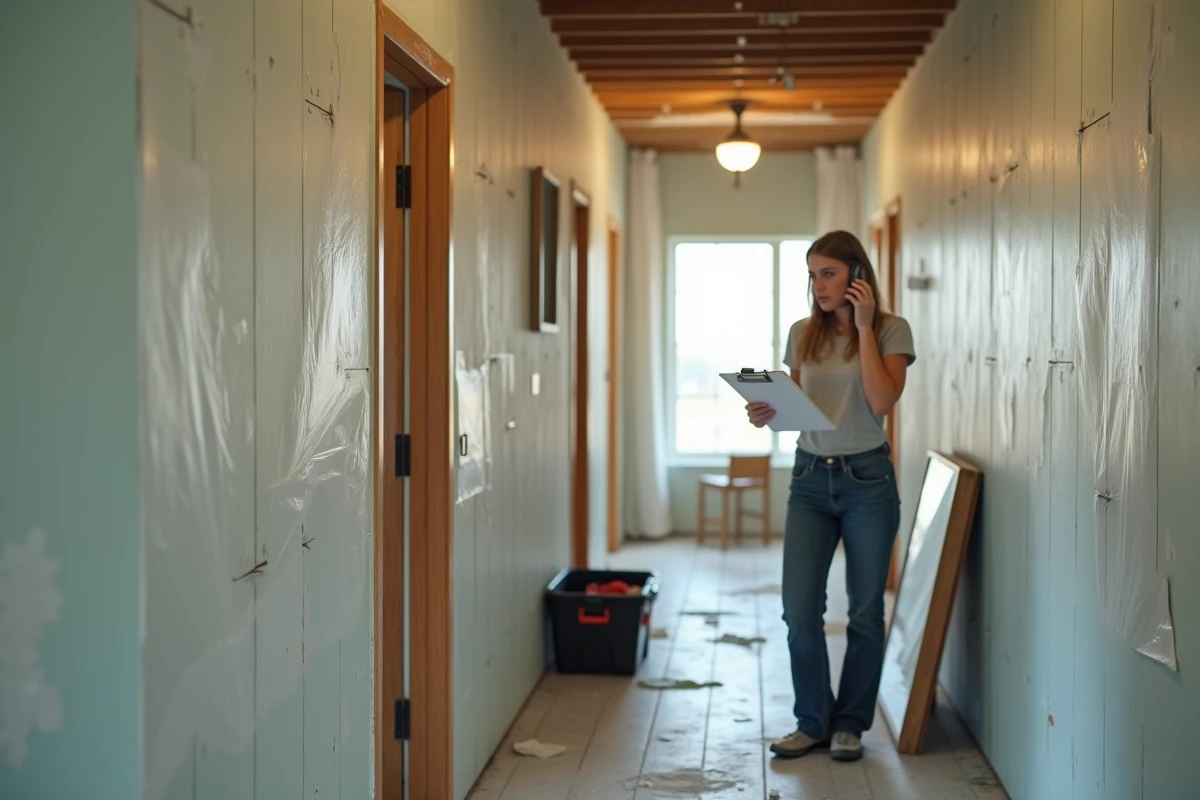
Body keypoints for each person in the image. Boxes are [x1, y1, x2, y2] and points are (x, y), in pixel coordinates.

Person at [746, 230, 915, 763]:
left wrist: (863, 329)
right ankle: (813, 721)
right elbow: (796, 405)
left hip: (868, 481)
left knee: (865, 612)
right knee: (799, 610)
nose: (817, 285)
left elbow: (882, 400)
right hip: (810, 480)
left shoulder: (891, 330)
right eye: (812, 275)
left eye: (828, 273)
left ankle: (850, 725)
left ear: (856, 276)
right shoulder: (802, 333)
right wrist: (767, 413)